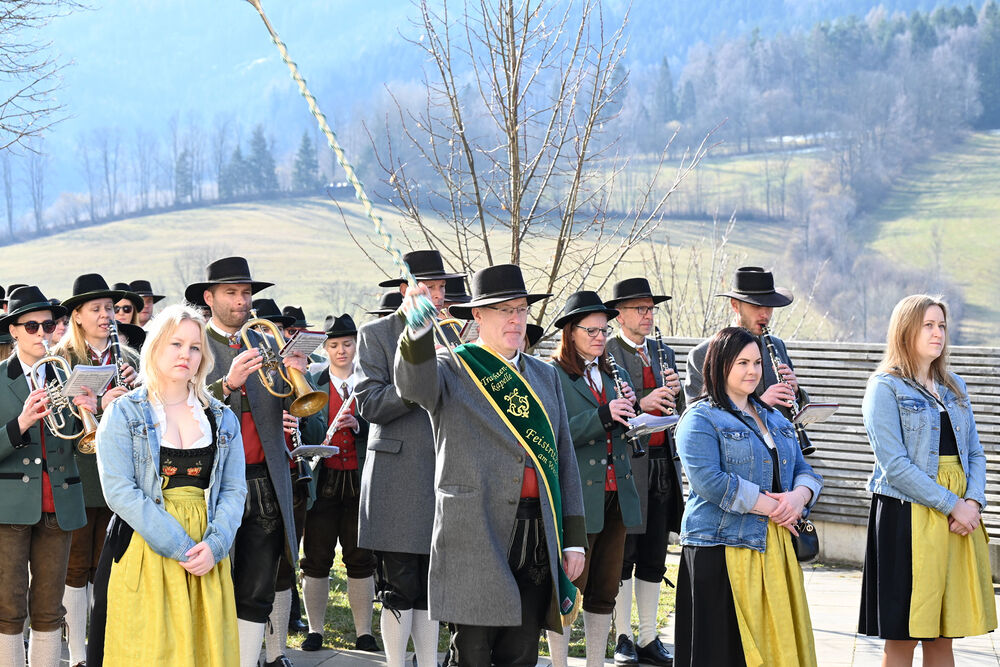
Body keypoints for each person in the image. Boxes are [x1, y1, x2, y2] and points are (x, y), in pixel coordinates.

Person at [395, 263, 587, 665]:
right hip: (474, 533)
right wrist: (416, 332)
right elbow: (413, 386)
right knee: (473, 653)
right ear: (478, 315)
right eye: (504, 310)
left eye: (521, 309)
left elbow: (564, 458)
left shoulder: (545, 376)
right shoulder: (452, 367)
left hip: (538, 534)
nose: (516, 319)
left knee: (522, 653)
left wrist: (573, 538)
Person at [184, 256, 323, 667]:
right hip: (212, 482)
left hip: (265, 480)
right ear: (209, 297)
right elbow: (177, 405)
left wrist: (298, 378)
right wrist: (227, 384)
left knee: (259, 588)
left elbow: (298, 409)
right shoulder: (192, 344)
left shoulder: (267, 342)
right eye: (231, 293)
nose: (241, 301)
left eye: (246, 293)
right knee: (212, 585)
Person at [92, 304, 247, 666]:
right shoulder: (124, 412)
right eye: (176, 344)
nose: (185, 355)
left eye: (194, 347)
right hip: (146, 546)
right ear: (156, 347)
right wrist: (180, 546)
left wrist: (215, 546)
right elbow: (119, 492)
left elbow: (233, 490)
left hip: (206, 550)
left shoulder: (222, 418)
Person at [858, 295, 996, 665]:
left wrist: (973, 503)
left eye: (942, 326)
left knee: (942, 638)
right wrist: (953, 505)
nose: (938, 333)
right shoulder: (884, 387)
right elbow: (895, 466)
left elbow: (976, 453)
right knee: (902, 640)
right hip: (906, 518)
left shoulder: (954, 386)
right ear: (906, 330)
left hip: (956, 522)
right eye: (928, 325)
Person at [673, 326, 822, 667]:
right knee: (725, 653)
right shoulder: (699, 418)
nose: (753, 370)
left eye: (756, 362)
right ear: (720, 364)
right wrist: (774, 506)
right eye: (742, 363)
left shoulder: (776, 418)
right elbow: (708, 481)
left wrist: (798, 498)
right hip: (720, 549)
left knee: (774, 649)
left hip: (775, 547)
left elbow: (806, 470)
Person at [355, 249, 463, 667]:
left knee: (431, 588)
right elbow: (369, 403)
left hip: (444, 472)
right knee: (399, 587)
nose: (437, 296)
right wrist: (414, 381)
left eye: (441, 288)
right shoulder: (376, 333)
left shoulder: (453, 335)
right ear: (406, 289)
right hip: (397, 478)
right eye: (428, 287)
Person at [547, 290, 643, 667]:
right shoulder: (552, 375)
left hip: (616, 495)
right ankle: (558, 663)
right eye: (592, 331)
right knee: (569, 587)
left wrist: (636, 419)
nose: (601, 337)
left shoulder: (611, 374)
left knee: (605, 590)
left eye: (605, 330)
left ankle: (594, 663)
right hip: (579, 498)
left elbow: (619, 429)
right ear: (570, 332)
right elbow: (552, 435)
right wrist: (603, 416)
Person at [0, 286, 93, 667]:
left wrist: (94, 411)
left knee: (50, 606)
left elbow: (79, 442)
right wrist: (21, 423)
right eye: (32, 326)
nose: (42, 333)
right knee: (8, 606)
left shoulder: (66, 376)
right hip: (10, 507)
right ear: (14, 331)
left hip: (59, 502)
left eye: (49, 325)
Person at [53, 273, 140, 667]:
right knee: (76, 567)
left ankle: (104, 650)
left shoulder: (130, 359)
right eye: (97, 309)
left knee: (111, 567)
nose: (107, 315)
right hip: (79, 474)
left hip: (122, 476)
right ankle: (77, 655)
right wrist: (103, 404)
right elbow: (57, 422)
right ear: (77, 315)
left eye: (110, 308)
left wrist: (137, 393)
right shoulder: (62, 359)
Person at [604, 278, 684, 666]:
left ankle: (649, 637)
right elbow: (610, 405)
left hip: (661, 463)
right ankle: (623, 637)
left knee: (654, 553)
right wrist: (643, 402)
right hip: (627, 465)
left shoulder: (663, 351)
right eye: (640, 308)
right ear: (619, 315)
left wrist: (676, 393)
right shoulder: (608, 351)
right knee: (624, 554)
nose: (648, 315)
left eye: (650, 308)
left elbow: (678, 409)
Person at [300, 314, 379, 653]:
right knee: (316, 557)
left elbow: (385, 423)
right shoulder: (311, 382)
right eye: (333, 345)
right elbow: (303, 428)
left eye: (347, 344)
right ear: (326, 348)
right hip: (324, 479)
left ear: (356, 345)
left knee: (360, 557)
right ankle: (315, 630)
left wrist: (359, 425)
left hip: (360, 480)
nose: (341, 351)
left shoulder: (370, 381)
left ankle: (364, 633)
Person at [683, 268, 810, 441]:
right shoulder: (703, 353)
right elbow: (697, 422)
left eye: (769, 306)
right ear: (735, 305)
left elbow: (794, 413)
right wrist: (758, 406)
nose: (764, 314)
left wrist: (796, 393)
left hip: (782, 447)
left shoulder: (777, 345)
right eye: (756, 306)